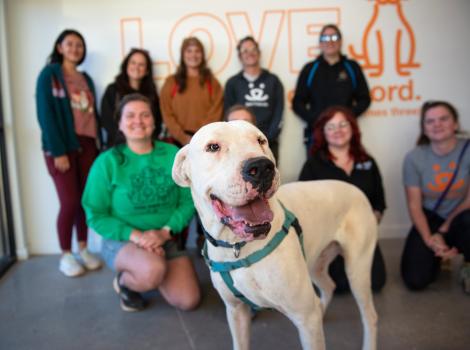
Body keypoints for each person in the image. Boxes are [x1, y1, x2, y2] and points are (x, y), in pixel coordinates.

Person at [82, 93, 201, 311]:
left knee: (188, 300)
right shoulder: (107, 162)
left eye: (145, 115)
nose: (138, 121)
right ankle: (125, 282)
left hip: (165, 237)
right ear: (119, 124)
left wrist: (164, 233)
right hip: (123, 240)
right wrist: (138, 237)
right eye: (130, 116)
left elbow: (188, 200)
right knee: (152, 270)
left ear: (154, 121)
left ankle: (154, 269)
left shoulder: (172, 154)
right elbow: (95, 213)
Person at [35, 29, 102, 277]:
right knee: (69, 201)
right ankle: (66, 254)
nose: (75, 48)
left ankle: (83, 249)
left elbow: (91, 115)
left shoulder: (86, 78)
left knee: (84, 201)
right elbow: (45, 114)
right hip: (61, 147)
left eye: (79, 45)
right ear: (59, 47)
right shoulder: (49, 75)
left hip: (87, 146)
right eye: (70, 44)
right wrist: (58, 150)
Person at [298, 106, 386, 292]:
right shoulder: (313, 165)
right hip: (326, 238)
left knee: (376, 282)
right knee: (333, 284)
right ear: (323, 133)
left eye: (343, 124)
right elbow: (304, 207)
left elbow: (379, 203)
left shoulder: (368, 162)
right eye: (330, 127)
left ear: (352, 128)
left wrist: (366, 228)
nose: (337, 131)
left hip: (359, 233)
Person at [401, 100, 470, 294]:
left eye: (443, 119)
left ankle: (468, 263)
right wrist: (430, 239)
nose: (437, 124)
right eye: (430, 121)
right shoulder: (414, 158)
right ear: (424, 128)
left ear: (455, 123)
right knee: (415, 280)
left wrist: (444, 230)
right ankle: (441, 256)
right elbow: (415, 206)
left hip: (462, 215)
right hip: (429, 217)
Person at [293, 24, 371, 154]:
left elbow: (365, 99)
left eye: (334, 37)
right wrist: (317, 120)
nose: (330, 41)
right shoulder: (310, 69)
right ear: (320, 43)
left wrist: (346, 118)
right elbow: (298, 103)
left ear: (340, 42)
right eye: (325, 37)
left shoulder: (352, 67)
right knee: (317, 173)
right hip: (316, 134)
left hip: (345, 134)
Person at [224, 36, 284, 160]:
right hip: (239, 144)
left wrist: (264, 139)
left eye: (253, 49)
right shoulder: (232, 83)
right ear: (240, 57)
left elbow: (279, 113)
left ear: (259, 53)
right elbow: (228, 115)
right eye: (245, 51)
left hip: (268, 143)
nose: (250, 53)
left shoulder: (273, 81)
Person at [160, 36, 223, 147]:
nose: (193, 55)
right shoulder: (171, 82)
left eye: (197, 51)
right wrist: (183, 137)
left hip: (205, 141)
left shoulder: (212, 83)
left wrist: (200, 137)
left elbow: (216, 112)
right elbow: (167, 113)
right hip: (176, 141)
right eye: (189, 51)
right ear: (183, 55)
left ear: (202, 55)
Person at [100, 48, 162, 149]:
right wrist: (129, 141)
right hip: (118, 148)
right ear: (126, 66)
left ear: (147, 70)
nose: (136, 67)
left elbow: (157, 122)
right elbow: (107, 120)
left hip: (146, 148)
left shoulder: (152, 93)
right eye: (133, 63)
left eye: (141, 64)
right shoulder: (113, 90)